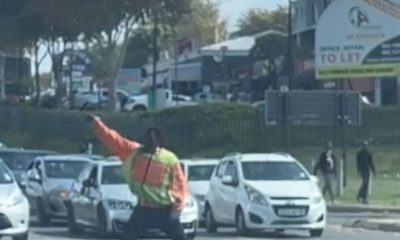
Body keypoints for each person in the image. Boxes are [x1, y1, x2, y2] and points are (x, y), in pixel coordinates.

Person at [86, 114, 187, 240]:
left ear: (160, 142)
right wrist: (97, 124)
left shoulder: (170, 159)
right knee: (130, 235)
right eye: (148, 139)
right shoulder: (134, 152)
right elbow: (114, 140)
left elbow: (180, 185)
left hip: (164, 210)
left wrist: (177, 208)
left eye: (153, 140)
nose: (150, 142)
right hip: (144, 209)